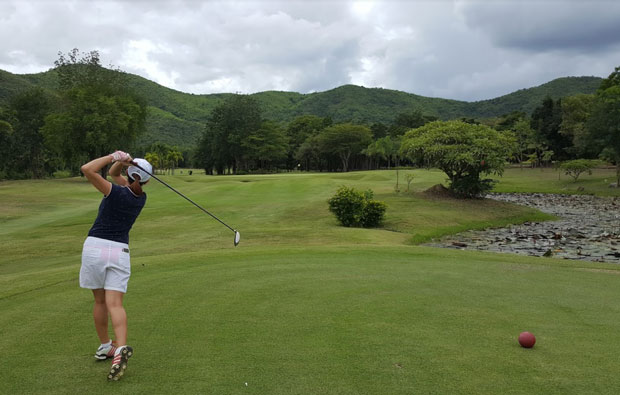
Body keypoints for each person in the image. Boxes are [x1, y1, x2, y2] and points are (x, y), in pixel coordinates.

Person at [79, 151, 152, 381]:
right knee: (115, 304)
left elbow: (87, 169)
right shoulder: (140, 197)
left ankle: (104, 345)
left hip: (95, 248)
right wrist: (123, 162)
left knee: (100, 301)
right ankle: (118, 348)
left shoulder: (114, 192)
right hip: (119, 253)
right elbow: (114, 174)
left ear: (131, 175)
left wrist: (113, 155)